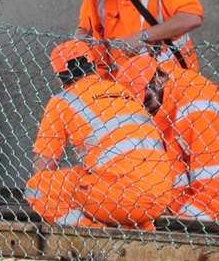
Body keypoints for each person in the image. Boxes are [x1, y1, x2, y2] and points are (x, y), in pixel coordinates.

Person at [24, 39, 181, 229]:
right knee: (104, 182)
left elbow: (44, 167)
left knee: (37, 187)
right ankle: (142, 232)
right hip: (160, 195)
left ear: (59, 76)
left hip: (119, 196)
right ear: (93, 66)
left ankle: (96, 234)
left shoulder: (62, 101)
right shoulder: (122, 90)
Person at [118, 54, 219, 222]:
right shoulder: (164, 103)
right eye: (137, 106)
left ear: (159, 79)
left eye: (145, 101)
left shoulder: (197, 105)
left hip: (214, 214)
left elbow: (216, 187)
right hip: (184, 212)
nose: (143, 111)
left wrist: (183, 225)